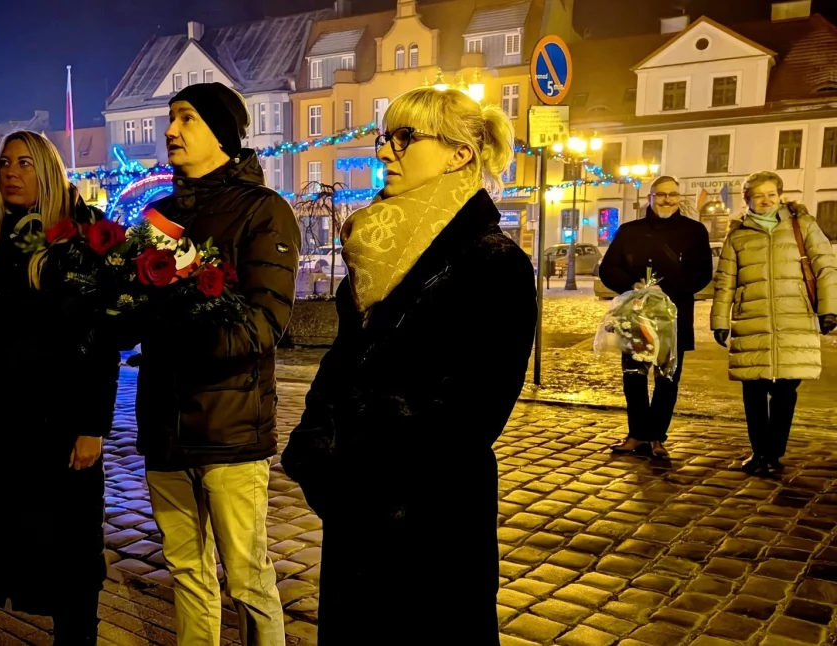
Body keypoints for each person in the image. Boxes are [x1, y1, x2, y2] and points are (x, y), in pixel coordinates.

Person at [280, 87, 535, 644]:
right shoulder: (376, 250)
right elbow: (342, 366)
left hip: (431, 526)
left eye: (404, 138)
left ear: (459, 154)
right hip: (357, 518)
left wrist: (368, 477)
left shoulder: (495, 263)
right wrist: (317, 453)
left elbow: (473, 415)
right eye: (384, 138)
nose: (384, 153)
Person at [133, 82, 297, 646]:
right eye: (169, 119)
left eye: (186, 119)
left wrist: (185, 330)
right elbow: (135, 310)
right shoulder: (157, 216)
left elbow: (266, 321)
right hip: (164, 425)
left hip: (229, 428)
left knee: (248, 579)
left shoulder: (264, 211)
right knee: (186, 572)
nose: (170, 131)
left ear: (223, 134)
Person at [0, 131, 119, 645]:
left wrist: (92, 425)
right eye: (5, 162)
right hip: (6, 427)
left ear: (48, 171)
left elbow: (98, 339)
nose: (10, 171)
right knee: (25, 544)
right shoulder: (3, 237)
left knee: (70, 552)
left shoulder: (76, 239)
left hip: (57, 425)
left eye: (25, 163)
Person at [711, 171, 837, 475]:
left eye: (771, 193)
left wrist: (829, 309)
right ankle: (759, 452)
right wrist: (719, 319)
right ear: (748, 200)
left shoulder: (802, 225)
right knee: (753, 390)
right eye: (758, 195)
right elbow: (725, 280)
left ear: (779, 194)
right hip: (751, 318)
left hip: (795, 316)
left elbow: (826, 268)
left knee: (785, 390)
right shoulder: (738, 234)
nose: (765, 200)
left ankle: (773, 452)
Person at [598, 176, 713, 459]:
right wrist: (633, 286)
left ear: (679, 197)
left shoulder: (695, 231)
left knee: (667, 378)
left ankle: (657, 437)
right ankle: (637, 434)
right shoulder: (629, 231)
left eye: (673, 195)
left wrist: (667, 290)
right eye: (661, 195)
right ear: (650, 197)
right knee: (634, 378)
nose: (667, 200)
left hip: (674, 317)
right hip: (636, 318)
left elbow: (702, 274)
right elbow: (608, 268)